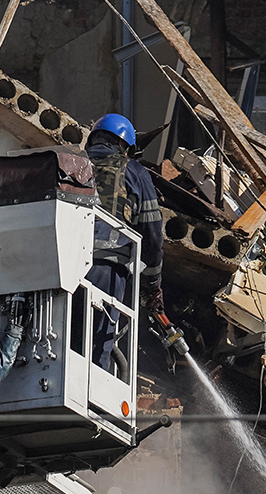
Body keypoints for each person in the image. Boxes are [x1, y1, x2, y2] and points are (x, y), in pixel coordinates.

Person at [83, 112, 164, 372]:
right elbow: (152, 233)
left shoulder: (70, 162)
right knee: (97, 343)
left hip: (61, 262)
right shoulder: (134, 171)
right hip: (106, 268)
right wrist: (152, 285)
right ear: (124, 145)